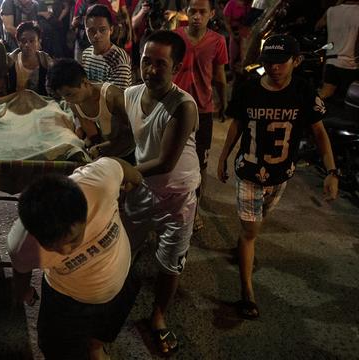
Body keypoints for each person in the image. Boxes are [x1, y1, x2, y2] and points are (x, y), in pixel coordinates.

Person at [217, 34, 338, 320]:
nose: (273, 68)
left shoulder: (304, 91)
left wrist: (332, 171)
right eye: (268, 62)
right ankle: (247, 292)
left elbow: (319, 132)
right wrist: (223, 157)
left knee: (256, 226)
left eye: (280, 62)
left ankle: (245, 245)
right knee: (250, 233)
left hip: (281, 175)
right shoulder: (248, 89)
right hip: (248, 172)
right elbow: (237, 125)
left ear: (296, 61)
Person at [8, 157, 143, 360]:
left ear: (85, 213)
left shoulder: (99, 183)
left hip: (121, 282)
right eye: (52, 245)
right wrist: (24, 291)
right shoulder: (22, 244)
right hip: (66, 299)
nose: (65, 251)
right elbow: (21, 275)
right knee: (55, 347)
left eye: (72, 239)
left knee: (106, 326)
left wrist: (135, 182)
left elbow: (126, 170)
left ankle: (95, 348)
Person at [123, 30, 200, 356]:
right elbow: (132, 141)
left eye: (161, 64)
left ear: (177, 67)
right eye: (146, 61)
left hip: (177, 194)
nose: (152, 70)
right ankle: (114, 296)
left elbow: (166, 162)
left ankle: (157, 315)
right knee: (124, 246)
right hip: (141, 188)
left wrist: (118, 171)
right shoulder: (131, 94)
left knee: (170, 263)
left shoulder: (182, 106)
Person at [172, 0, 227, 231]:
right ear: (186, 12)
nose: (196, 16)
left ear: (211, 14)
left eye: (202, 12)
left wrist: (223, 104)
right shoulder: (174, 37)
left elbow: (219, 76)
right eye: (192, 11)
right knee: (172, 158)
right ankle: (171, 205)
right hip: (174, 108)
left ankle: (193, 211)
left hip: (203, 111)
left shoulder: (218, 41)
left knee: (200, 165)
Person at [47, 58, 136, 163]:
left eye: (69, 94)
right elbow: (93, 135)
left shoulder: (112, 97)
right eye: (63, 96)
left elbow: (134, 134)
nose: (67, 100)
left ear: (85, 82)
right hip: (108, 154)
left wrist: (101, 151)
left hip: (131, 153)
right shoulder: (74, 104)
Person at [81, 4, 132, 90]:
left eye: (102, 30)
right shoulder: (86, 54)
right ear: (85, 30)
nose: (97, 35)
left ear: (111, 29)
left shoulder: (118, 59)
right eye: (91, 30)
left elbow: (115, 99)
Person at [316, 0, 359, 100]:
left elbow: (318, 26)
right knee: (350, 102)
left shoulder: (331, 10)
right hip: (351, 65)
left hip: (331, 62)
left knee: (324, 96)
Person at [7, 21, 53, 95]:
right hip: (16, 101)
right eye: (23, 41)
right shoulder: (10, 61)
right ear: (18, 42)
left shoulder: (46, 60)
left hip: (41, 102)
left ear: (39, 42)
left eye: (32, 41)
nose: (27, 45)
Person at [223, 0, 250, 73]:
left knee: (244, 56)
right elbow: (227, 22)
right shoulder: (231, 4)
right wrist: (232, 34)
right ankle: (233, 75)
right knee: (233, 55)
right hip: (234, 32)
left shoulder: (248, 4)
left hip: (245, 32)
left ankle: (243, 74)